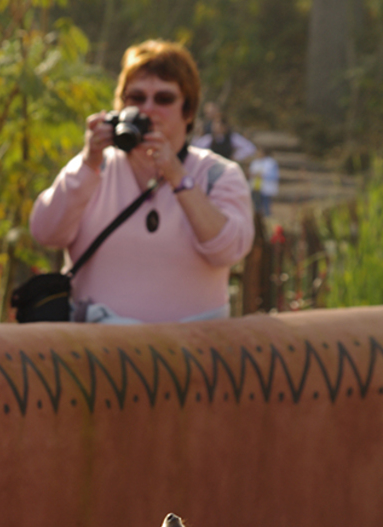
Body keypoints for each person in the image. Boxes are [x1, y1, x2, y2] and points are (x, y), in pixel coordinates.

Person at [29, 40, 254, 324]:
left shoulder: (218, 175)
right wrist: (88, 164)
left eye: (163, 99)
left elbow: (228, 250)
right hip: (98, 352)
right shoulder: (95, 168)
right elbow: (45, 233)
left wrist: (176, 175)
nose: (149, 109)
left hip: (190, 357)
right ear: (120, 106)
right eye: (136, 98)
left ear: (188, 110)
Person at [192, 113, 256, 163]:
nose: (215, 126)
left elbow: (250, 148)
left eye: (218, 123)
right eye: (214, 123)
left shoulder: (232, 137)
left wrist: (236, 156)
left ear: (225, 126)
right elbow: (195, 148)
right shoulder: (209, 138)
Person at [249, 149, 280, 216]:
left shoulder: (270, 163)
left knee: (266, 205)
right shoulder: (255, 162)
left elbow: (274, 175)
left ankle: (267, 218)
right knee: (257, 205)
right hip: (256, 187)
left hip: (266, 187)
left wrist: (262, 175)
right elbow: (251, 173)